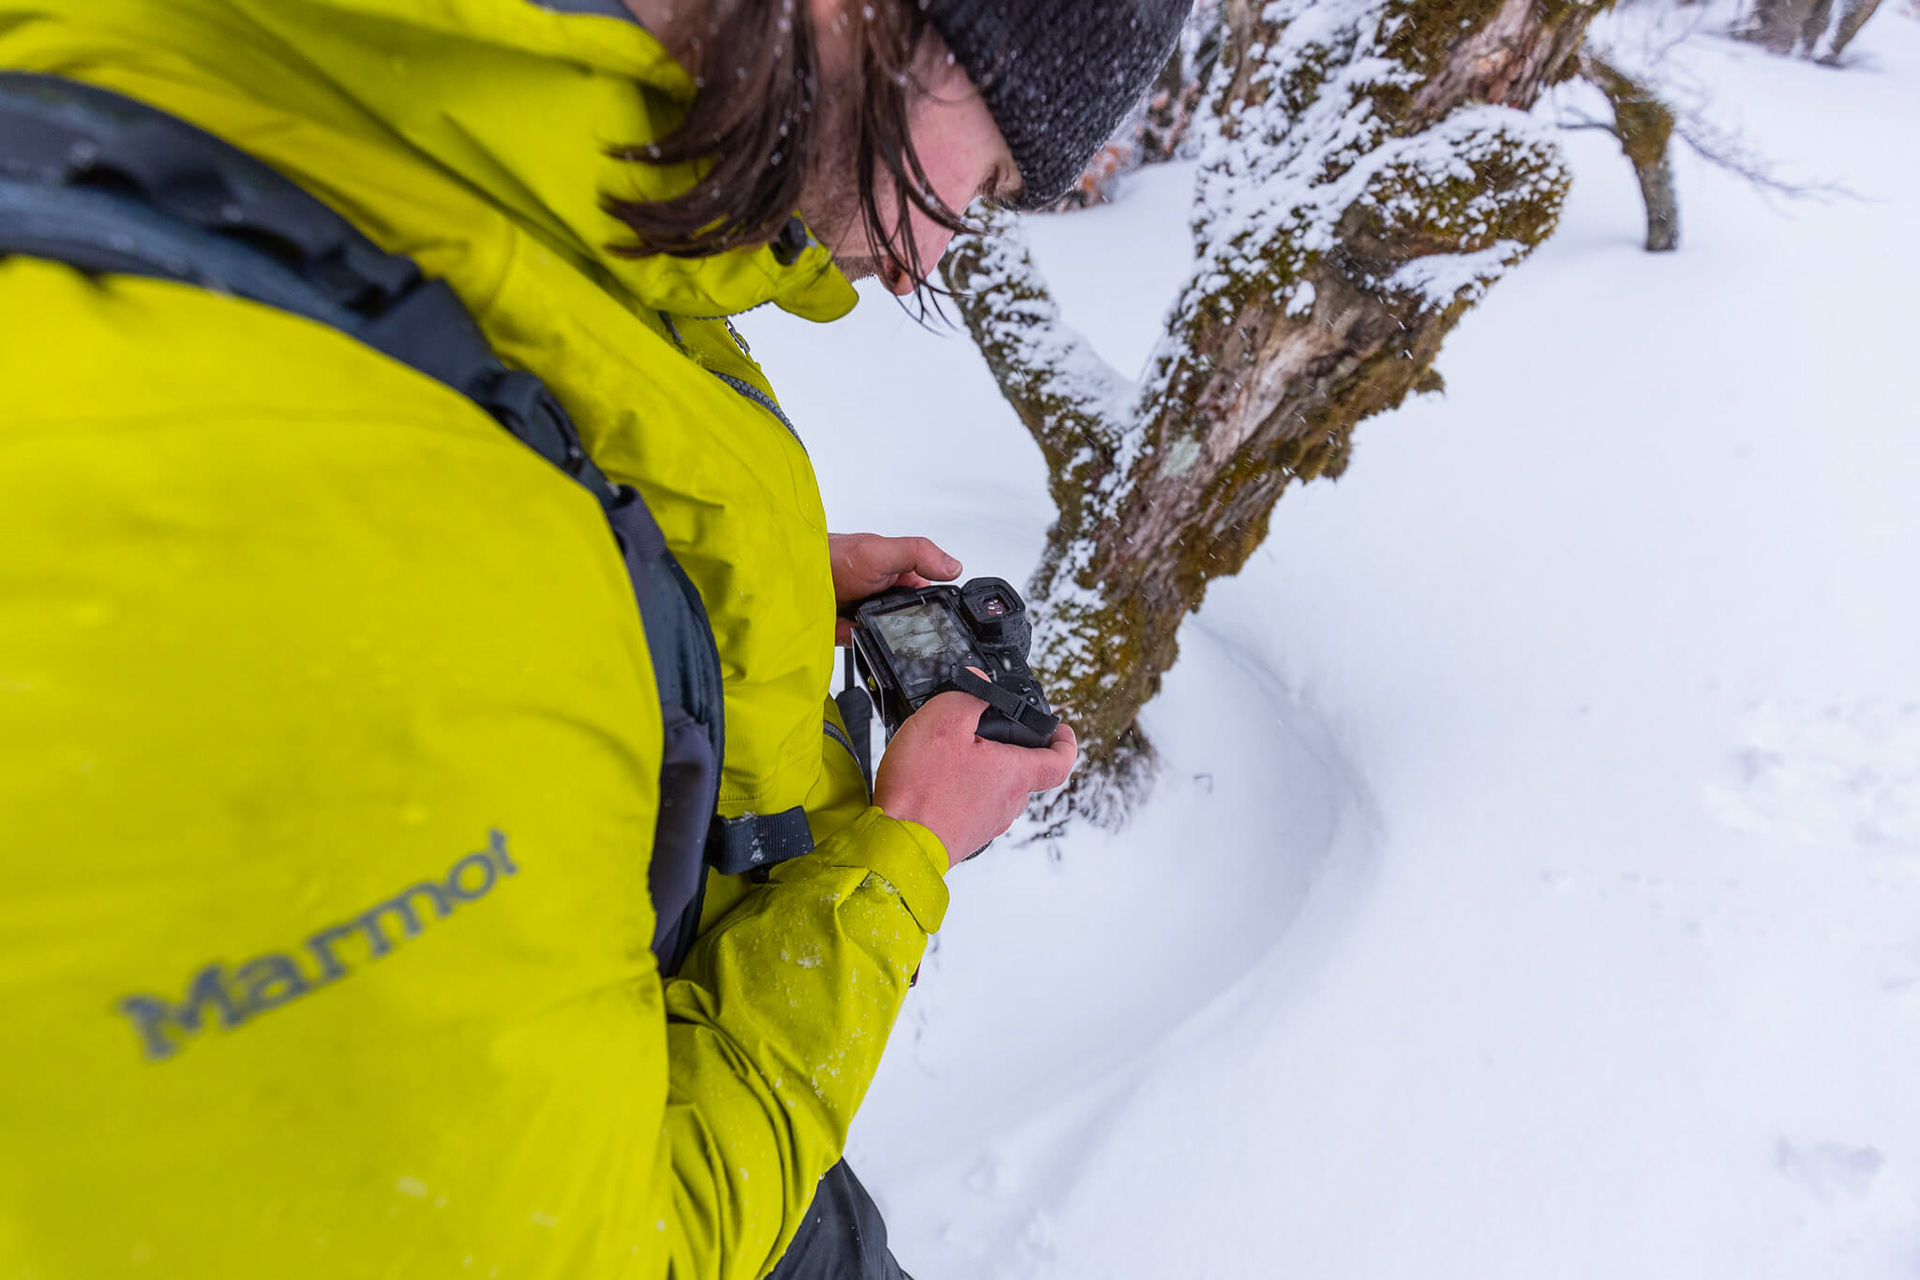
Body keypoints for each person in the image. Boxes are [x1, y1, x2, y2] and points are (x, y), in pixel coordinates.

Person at [0, 1, 1189, 1278]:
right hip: (707, 1131)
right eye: (992, 176)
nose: (930, 260)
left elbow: (517, 442)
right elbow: (621, 1251)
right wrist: (898, 864)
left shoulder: (425, 150)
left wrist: (693, 603)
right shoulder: (282, 526)